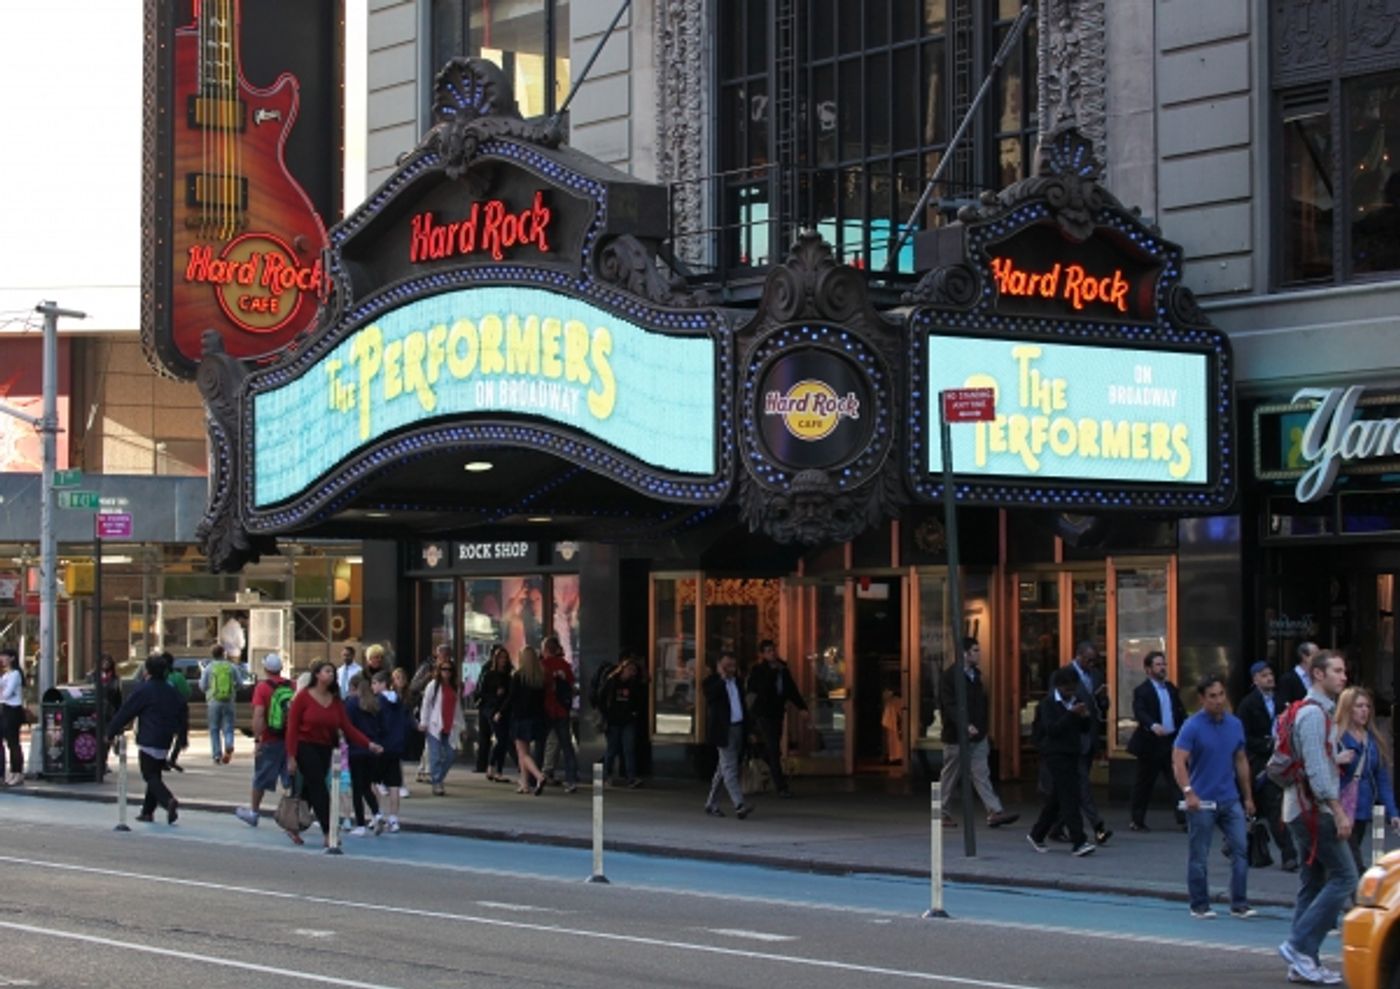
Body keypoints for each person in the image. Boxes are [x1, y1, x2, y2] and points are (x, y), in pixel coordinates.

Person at [1278, 649, 1352, 986]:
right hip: (1314, 811)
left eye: (1344, 671)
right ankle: (1298, 946)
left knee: (1312, 884)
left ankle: (1304, 960)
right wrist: (1338, 812)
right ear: (1318, 675)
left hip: (1300, 808)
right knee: (1345, 878)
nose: (1344, 677)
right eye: (1337, 671)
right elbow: (1318, 773)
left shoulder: (1317, 713)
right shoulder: (1314, 716)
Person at [1171, 673, 1255, 919]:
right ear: (1202, 699)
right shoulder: (1193, 726)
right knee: (1199, 854)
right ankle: (1199, 904)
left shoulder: (1234, 724)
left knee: (1241, 849)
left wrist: (1248, 796)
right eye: (1212, 697)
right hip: (1202, 801)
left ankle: (1239, 903)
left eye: (1221, 695)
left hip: (1229, 798)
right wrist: (1189, 793)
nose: (1218, 701)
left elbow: (1241, 761)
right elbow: (1178, 760)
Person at [285, 660, 383, 847]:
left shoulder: (335, 700)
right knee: (320, 788)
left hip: (325, 748)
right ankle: (329, 832)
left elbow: (346, 727)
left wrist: (368, 744)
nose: (331, 674)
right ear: (317, 675)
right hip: (305, 746)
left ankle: (293, 825)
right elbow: (292, 729)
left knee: (309, 789)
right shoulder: (303, 697)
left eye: (332, 672)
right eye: (327, 671)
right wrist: (291, 756)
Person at [938, 637, 1018, 829]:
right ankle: (940, 813)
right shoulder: (949, 677)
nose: (979, 654)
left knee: (981, 773)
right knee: (949, 776)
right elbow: (949, 705)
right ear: (965, 653)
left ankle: (994, 811)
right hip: (956, 736)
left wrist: (982, 729)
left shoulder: (976, 676)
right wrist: (965, 724)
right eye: (975, 650)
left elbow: (980, 705)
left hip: (978, 735)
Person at [106, 654, 189, 825]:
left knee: (149, 774)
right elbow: (183, 711)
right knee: (155, 774)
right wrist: (182, 737)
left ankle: (168, 800)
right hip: (166, 738)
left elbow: (126, 711)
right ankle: (147, 812)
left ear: (147, 671)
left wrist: (110, 732)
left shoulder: (144, 690)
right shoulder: (171, 691)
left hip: (149, 738)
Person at [1027, 665, 1095, 857]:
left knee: (1058, 796)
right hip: (1055, 753)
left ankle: (1037, 833)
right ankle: (1079, 840)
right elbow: (1052, 729)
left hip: (1072, 752)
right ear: (1058, 687)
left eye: (1073, 689)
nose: (1070, 694)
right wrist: (1071, 714)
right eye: (1067, 690)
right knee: (1069, 796)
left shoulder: (1077, 701)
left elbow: (1083, 728)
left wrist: (1084, 717)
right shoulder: (1047, 705)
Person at [1237, 661, 1299, 870]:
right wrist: (1266, 743)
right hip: (1260, 763)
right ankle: (1287, 853)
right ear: (1255, 680)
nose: (1269, 678)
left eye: (1271, 674)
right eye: (1263, 675)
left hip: (1282, 761)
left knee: (1276, 808)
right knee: (1271, 808)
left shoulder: (1282, 701)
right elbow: (1243, 737)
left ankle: (1287, 852)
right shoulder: (1247, 704)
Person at [1335, 685, 1400, 873]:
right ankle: (1362, 899)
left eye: (1367, 706)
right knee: (1353, 867)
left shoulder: (1372, 740)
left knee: (1345, 867)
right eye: (1358, 706)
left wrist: (1393, 812)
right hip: (1341, 809)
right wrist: (1336, 760)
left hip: (1363, 809)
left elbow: (1382, 778)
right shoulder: (1337, 737)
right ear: (1347, 708)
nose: (1364, 711)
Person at [1127, 650, 1187, 832]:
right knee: (1144, 783)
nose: (1162, 668)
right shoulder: (1142, 691)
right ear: (1148, 669)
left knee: (1177, 780)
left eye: (1164, 664)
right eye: (1158, 665)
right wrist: (1153, 725)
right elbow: (1140, 711)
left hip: (1170, 741)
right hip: (1150, 743)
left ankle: (1184, 819)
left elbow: (1179, 711)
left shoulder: (1170, 688)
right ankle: (1137, 819)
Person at [235, 653, 292, 827]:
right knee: (290, 779)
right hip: (290, 739)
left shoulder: (262, 688)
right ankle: (294, 813)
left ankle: (254, 812)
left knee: (261, 777)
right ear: (281, 668)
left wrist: (257, 739)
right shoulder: (292, 685)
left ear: (266, 669)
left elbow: (259, 714)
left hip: (270, 738)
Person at [746, 638, 807, 798]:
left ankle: (767, 760)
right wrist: (772, 673)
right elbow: (759, 689)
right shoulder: (759, 670)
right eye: (769, 651)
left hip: (777, 712)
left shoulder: (783, 669)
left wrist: (802, 707)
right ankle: (781, 785)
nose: (773, 653)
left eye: (773, 650)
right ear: (763, 654)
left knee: (773, 745)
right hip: (763, 713)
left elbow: (791, 690)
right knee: (773, 747)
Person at [703, 653, 753, 819]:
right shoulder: (711, 681)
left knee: (723, 767)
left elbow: (742, 705)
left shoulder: (738, 682)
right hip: (723, 730)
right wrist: (722, 679)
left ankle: (711, 803)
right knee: (730, 768)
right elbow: (709, 697)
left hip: (738, 727)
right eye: (727, 665)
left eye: (733, 665)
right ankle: (739, 804)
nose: (731, 669)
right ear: (719, 665)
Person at [498, 646, 548, 795]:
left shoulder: (518, 676)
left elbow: (511, 697)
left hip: (520, 718)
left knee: (522, 752)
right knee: (523, 752)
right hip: (536, 718)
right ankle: (524, 783)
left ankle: (539, 775)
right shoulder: (540, 677)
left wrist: (500, 711)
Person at [534, 635, 579, 793]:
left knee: (541, 744)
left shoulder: (542, 665)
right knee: (566, 746)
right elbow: (572, 687)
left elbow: (537, 687)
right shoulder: (564, 665)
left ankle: (537, 777)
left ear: (545, 650)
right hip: (562, 710)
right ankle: (571, 780)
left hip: (546, 709)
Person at [417, 652, 466, 796]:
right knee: (435, 755)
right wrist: (424, 722)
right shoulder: (433, 686)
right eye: (444, 669)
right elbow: (426, 704)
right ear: (439, 671)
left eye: (449, 670)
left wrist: (462, 726)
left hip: (450, 725)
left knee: (451, 754)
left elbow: (457, 708)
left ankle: (438, 778)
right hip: (434, 725)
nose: (447, 672)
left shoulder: (454, 687)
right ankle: (437, 782)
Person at [344, 674, 384, 836]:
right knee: (366, 786)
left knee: (357, 789)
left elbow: (348, 727)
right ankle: (377, 813)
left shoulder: (351, 704)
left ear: (353, 687)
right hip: (372, 750)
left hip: (356, 749)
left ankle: (360, 824)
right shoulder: (374, 704)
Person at [602, 657, 646, 787]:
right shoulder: (612, 682)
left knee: (629, 749)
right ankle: (607, 775)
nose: (632, 673)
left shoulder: (633, 684)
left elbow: (638, 699)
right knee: (612, 749)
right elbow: (602, 698)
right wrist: (607, 714)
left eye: (634, 671)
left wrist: (634, 712)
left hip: (628, 720)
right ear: (623, 669)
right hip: (614, 720)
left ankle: (631, 777)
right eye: (630, 670)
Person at [373, 670, 408, 832]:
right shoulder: (398, 701)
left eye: (375, 683)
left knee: (375, 783)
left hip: (381, 747)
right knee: (394, 784)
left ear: (382, 684)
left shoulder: (378, 702)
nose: (373, 686)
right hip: (396, 747)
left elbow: (377, 725)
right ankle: (393, 819)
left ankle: (377, 814)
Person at [474, 644, 513, 781]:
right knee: (501, 738)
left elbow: (510, 696)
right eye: (500, 658)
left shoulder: (508, 675)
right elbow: (480, 693)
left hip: (504, 710)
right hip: (491, 709)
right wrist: (495, 696)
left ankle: (497, 769)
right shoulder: (489, 674)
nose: (503, 660)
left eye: (505, 658)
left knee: (503, 739)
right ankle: (492, 767)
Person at [200, 644, 239, 765]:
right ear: (224, 654)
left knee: (214, 729)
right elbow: (240, 683)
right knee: (228, 727)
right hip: (229, 701)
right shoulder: (231, 667)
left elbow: (202, 686)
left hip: (213, 702)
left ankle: (217, 755)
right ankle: (229, 744)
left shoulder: (209, 668)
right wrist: (232, 690)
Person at [0, 647, 25, 786]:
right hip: (5, 709)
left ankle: (18, 772)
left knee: (14, 742)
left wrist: (2, 692)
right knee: (9, 742)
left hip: (13, 710)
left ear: (12, 658)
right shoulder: (5, 675)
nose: (2, 659)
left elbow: (7, 694)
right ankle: (13, 772)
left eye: (5, 656)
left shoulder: (15, 674)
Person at [1277, 641, 1319, 708]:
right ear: (1305, 657)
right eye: (1316, 655)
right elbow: (1284, 705)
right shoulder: (1287, 679)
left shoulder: (1318, 677)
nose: (1319, 659)